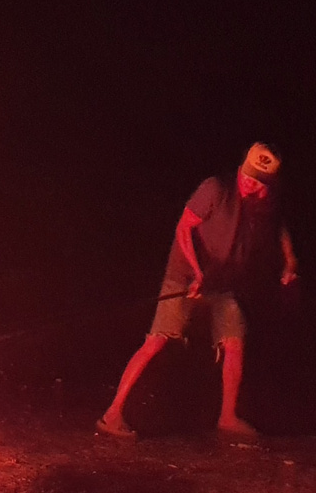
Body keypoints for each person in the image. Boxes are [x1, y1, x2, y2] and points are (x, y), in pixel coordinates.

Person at [97, 142, 298, 440]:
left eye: (256, 180)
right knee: (157, 340)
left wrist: (289, 263)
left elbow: (277, 227)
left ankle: (227, 418)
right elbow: (184, 228)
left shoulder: (262, 203)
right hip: (185, 275)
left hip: (221, 282)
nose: (248, 182)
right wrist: (196, 272)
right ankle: (111, 415)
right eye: (246, 173)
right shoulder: (215, 188)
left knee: (234, 342)